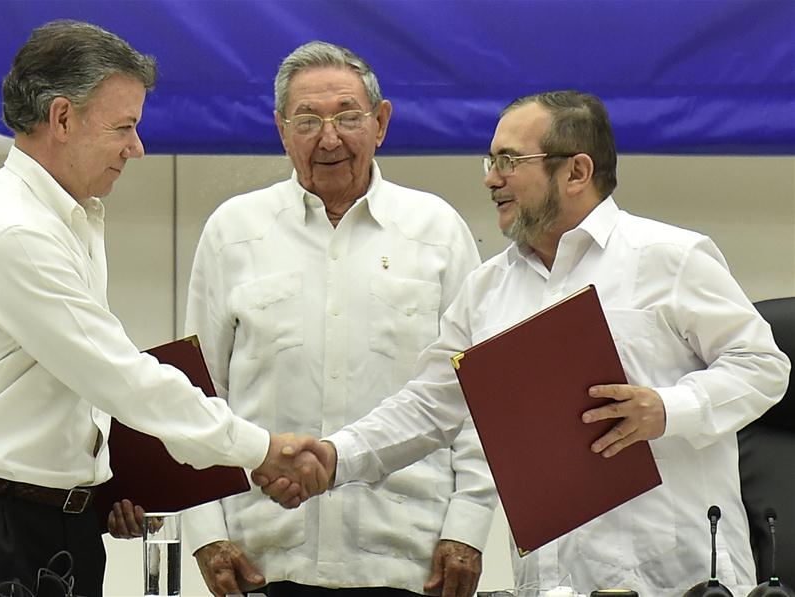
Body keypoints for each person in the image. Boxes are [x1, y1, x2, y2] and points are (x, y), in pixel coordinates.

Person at [261, 90, 791, 596]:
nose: (492, 179)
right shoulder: (488, 289)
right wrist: (336, 456)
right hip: (550, 579)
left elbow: (763, 366)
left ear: (577, 171)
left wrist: (666, 408)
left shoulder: (670, 258)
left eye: (510, 161)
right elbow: (430, 405)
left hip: (676, 578)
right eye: (490, 161)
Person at [0, 20, 326, 597]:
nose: (138, 146)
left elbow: (77, 381)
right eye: (124, 126)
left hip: (53, 521)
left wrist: (99, 479)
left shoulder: (71, 215)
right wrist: (260, 449)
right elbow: (117, 374)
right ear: (62, 118)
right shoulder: (13, 231)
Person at [184, 41, 497, 597]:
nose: (329, 138)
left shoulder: (437, 231)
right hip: (264, 558)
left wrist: (468, 529)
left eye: (347, 117)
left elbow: (476, 395)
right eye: (307, 120)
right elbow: (200, 396)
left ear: (380, 123)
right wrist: (206, 532)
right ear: (281, 130)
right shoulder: (233, 231)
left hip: (411, 559)